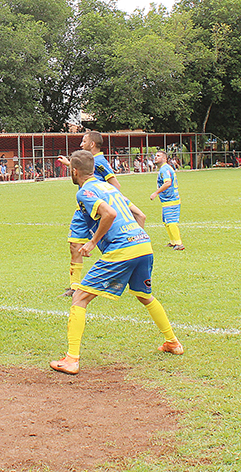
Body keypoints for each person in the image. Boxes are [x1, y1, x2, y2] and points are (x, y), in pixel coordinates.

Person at [49, 150, 184, 375]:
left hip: (122, 249)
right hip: (143, 244)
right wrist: (134, 239)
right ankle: (172, 342)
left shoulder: (84, 192)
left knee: (79, 297)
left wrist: (92, 243)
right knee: (144, 295)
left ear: (73, 171)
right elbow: (140, 216)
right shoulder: (110, 187)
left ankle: (71, 359)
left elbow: (109, 214)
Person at [57, 131, 121, 297]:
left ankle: (115, 280)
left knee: (108, 247)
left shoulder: (100, 161)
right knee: (74, 245)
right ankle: (75, 286)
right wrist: (69, 164)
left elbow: (116, 186)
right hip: (82, 210)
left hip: (97, 211)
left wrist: (107, 202)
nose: (81, 144)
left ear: (92, 144)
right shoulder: (89, 162)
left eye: (84, 141)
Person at [150, 150, 184, 250]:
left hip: (171, 200)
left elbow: (168, 183)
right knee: (166, 221)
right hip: (167, 200)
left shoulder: (165, 169)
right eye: (155, 156)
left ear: (164, 159)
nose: (156, 157)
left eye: (159, 156)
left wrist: (156, 193)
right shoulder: (164, 169)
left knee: (171, 221)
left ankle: (179, 244)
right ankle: (173, 242)